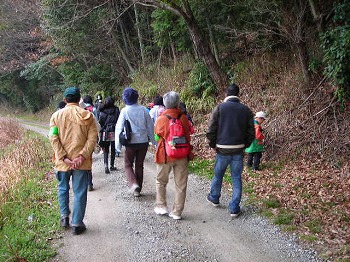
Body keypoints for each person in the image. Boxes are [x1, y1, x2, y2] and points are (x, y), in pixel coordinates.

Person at [49, 87, 98, 235]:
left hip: (62, 162)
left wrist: (64, 157)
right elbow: (92, 139)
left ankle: (64, 217)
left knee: (63, 188)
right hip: (81, 163)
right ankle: (77, 223)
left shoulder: (55, 117)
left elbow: (53, 137)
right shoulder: (88, 116)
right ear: (79, 99)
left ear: (65, 100)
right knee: (80, 191)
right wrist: (81, 156)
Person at [206, 83, 254, 218]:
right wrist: (245, 145)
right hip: (238, 150)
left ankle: (214, 197)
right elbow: (251, 132)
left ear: (226, 93)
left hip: (222, 150)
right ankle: (234, 207)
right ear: (238, 94)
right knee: (236, 178)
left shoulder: (220, 108)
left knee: (218, 175)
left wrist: (213, 144)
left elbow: (211, 130)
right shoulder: (246, 110)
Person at [153, 91, 193, 220]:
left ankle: (161, 206)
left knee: (161, 181)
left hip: (165, 155)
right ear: (177, 103)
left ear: (165, 104)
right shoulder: (184, 118)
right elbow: (188, 135)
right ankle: (177, 212)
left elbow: (156, 136)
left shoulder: (161, 119)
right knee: (181, 184)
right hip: (182, 154)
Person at [115, 87, 156, 197]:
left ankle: (133, 183)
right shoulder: (143, 110)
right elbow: (150, 127)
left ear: (125, 99)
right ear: (137, 97)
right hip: (143, 142)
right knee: (139, 165)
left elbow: (119, 128)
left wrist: (117, 146)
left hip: (130, 143)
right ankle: (138, 190)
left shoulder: (125, 111)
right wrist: (154, 142)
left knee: (128, 164)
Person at [98, 96, 120, 174]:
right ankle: (112, 165)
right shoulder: (116, 110)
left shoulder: (102, 111)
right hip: (114, 131)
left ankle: (105, 165)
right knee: (113, 149)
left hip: (105, 131)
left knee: (106, 149)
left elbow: (100, 122)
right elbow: (119, 120)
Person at [82, 95, 98, 191]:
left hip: (78, 143)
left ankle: (83, 183)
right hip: (89, 140)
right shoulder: (92, 110)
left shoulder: (71, 114)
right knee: (88, 161)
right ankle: (89, 183)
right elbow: (97, 125)